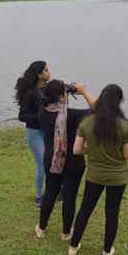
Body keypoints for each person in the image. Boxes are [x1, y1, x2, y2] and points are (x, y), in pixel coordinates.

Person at [68, 84, 128, 255]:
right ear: (119, 101)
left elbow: (76, 150)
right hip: (117, 177)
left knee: (85, 210)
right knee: (112, 213)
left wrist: (92, 151)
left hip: (94, 175)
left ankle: (73, 246)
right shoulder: (124, 126)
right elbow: (127, 155)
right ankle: (106, 251)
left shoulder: (87, 122)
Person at [35, 80, 96, 241]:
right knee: (69, 196)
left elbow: (52, 96)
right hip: (73, 163)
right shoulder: (71, 116)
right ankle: (66, 233)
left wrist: (66, 91)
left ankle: (41, 228)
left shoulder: (43, 110)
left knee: (50, 193)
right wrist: (82, 91)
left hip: (52, 160)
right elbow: (98, 109)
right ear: (62, 96)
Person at [15, 61, 50, 207]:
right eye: (46, 70)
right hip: (34, 133)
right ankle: (38, 196)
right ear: (39, 74)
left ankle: (53, 191)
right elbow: (22, 116)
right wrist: (41, 116)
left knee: (52, 162)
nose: (49, 72)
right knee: (42, 164)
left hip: (47, 132)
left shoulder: (47, 89)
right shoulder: (30, 93)